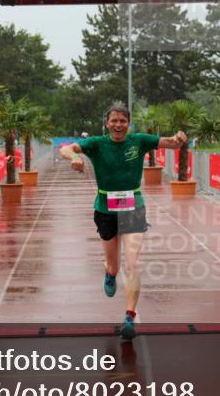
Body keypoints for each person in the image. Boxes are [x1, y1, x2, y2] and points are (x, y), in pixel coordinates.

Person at [59, 103, 188, 339]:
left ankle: (129, 316)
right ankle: (109, 273)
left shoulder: (139, 141)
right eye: (114, 121)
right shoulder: (97, 143)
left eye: (123, 121)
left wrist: (178, 138)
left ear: (128, 124)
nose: (118, 125)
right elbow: (66, 148)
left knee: (132, 263)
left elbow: (170, 142)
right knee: (114, 266)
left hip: (133, 207)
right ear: (107, 123)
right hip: (105, 208)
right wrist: (75, 157)